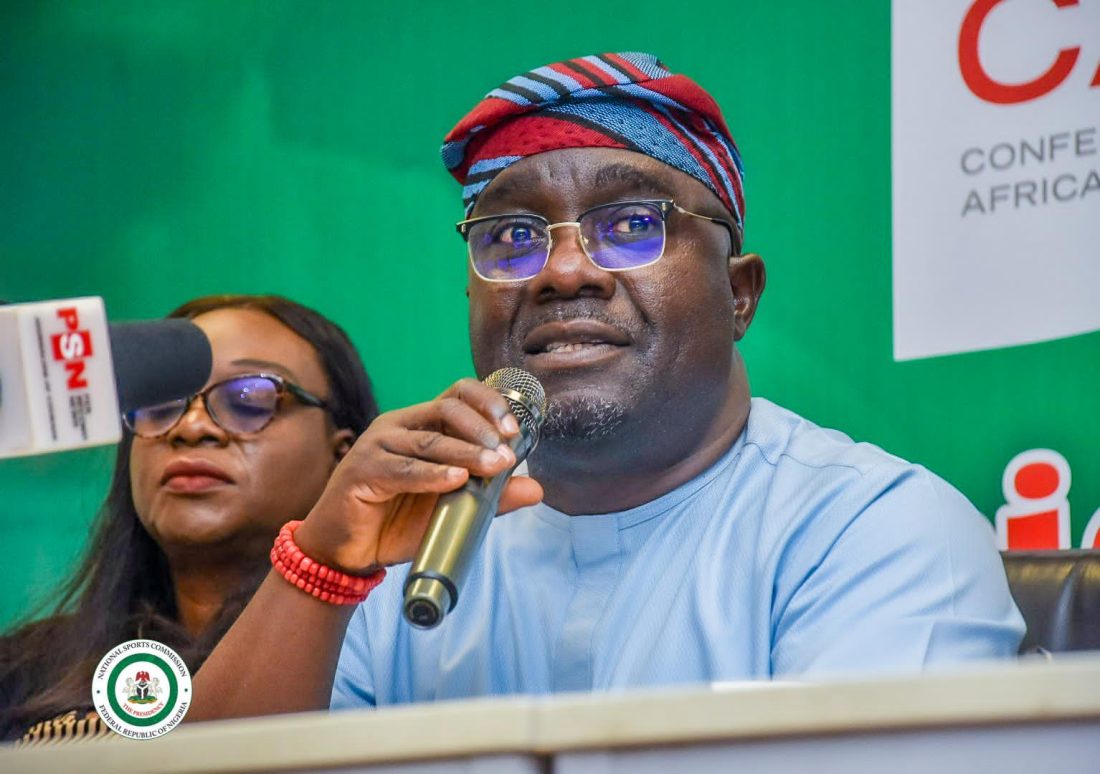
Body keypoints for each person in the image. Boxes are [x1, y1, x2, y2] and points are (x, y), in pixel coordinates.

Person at [188, 53, 1023, 720]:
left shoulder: (870, 532)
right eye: (512, 237)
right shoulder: (413, 553)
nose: (561, 271)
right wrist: (322, 569)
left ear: (738, 294)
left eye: (630, 224)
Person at [0, 294, 378, 741]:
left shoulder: (380, 654)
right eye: (158, 403)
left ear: (343, 455)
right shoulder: (23, 669)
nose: (191, 427)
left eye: (249, 398)